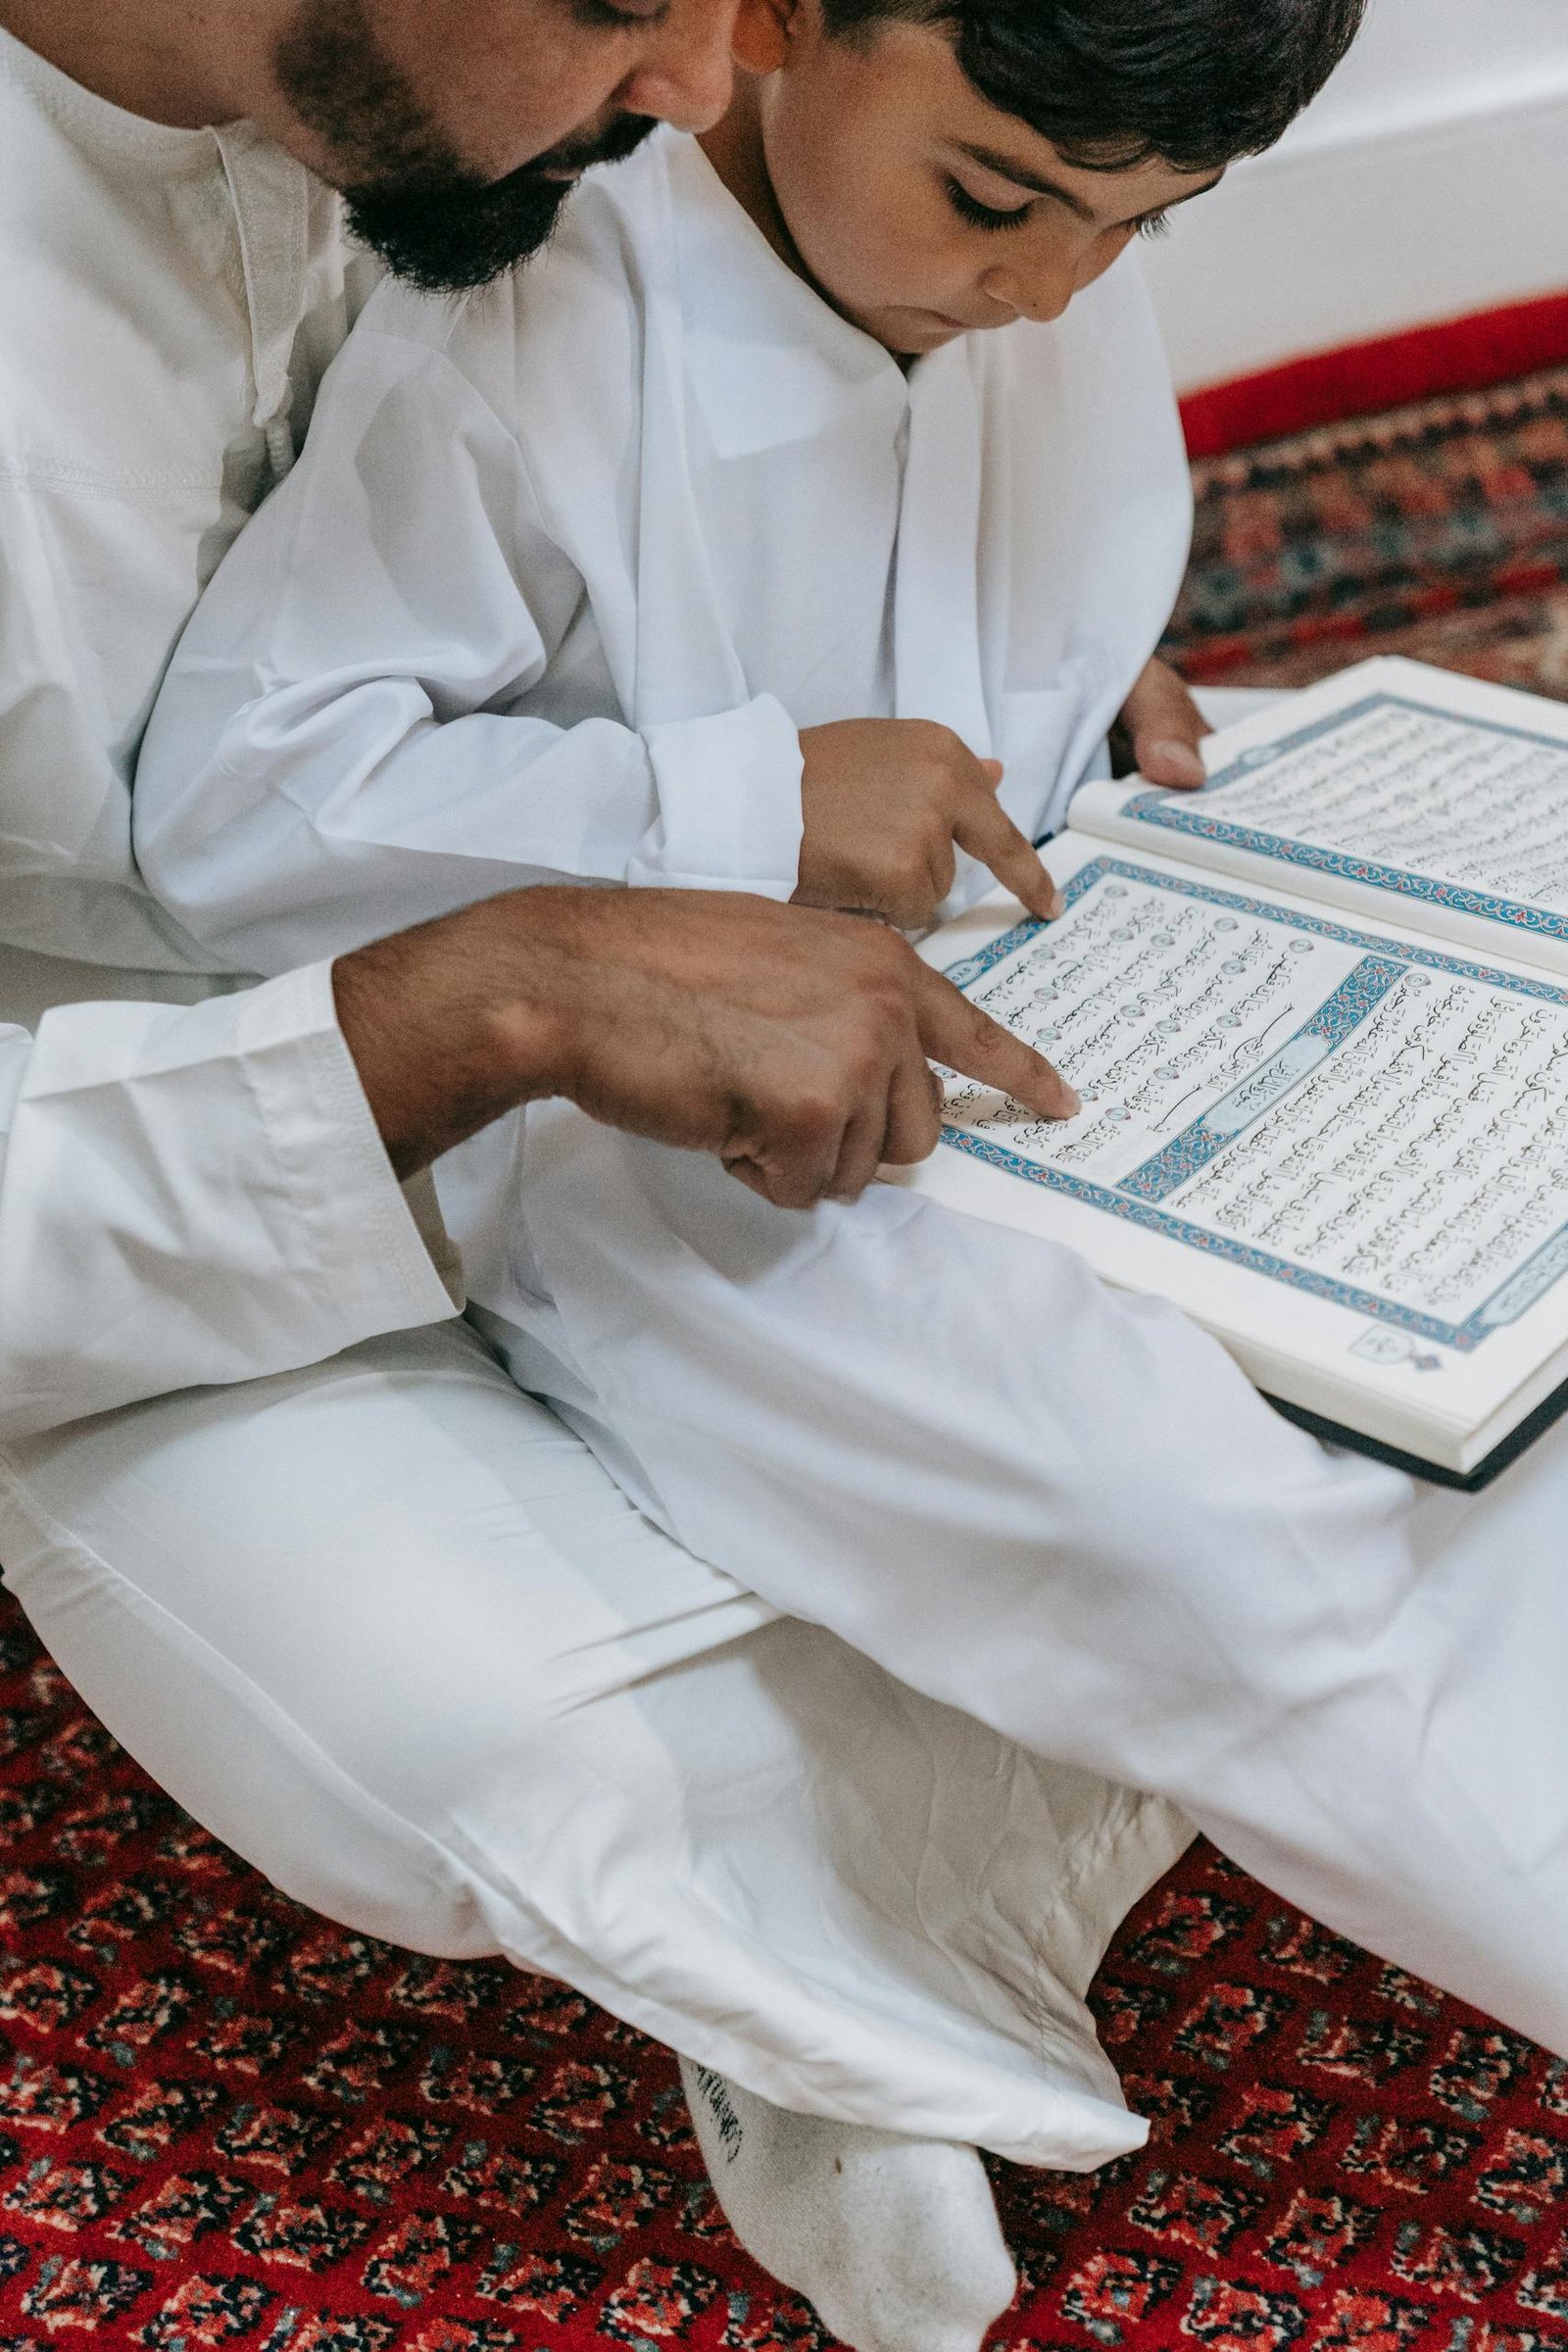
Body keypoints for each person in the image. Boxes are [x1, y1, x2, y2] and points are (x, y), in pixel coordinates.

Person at [135, 0, 1568, 2315]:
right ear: (782, 22)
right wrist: (736, 801)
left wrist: (1089, 668)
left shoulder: (1035, 266)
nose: (1048, 294)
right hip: (697, 1126)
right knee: (1182, 1509)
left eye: (1143, 231)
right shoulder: (529, 314)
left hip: (1094, 956)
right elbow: (231, 820)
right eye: (997, 201)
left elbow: (1019, 589)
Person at [0, 3, 1240, 2347]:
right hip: (117, 1142)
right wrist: (477, 1002)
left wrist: (1037, 618)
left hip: (680, 1003)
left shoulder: (558, 121)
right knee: (492, 1743)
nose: (706, 87)